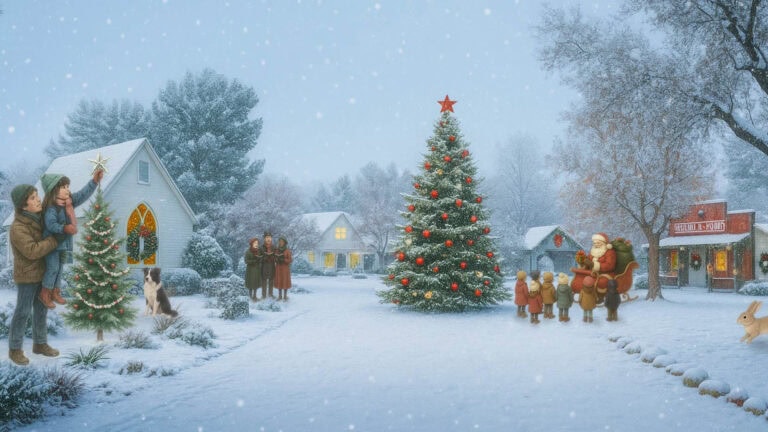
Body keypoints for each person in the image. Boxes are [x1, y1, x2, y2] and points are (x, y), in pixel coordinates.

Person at [8, 184, 60, 365]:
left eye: (37, 195)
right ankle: (15, 349)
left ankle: (40, 344)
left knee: (41, 310)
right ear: (23, 205)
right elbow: (31, 251)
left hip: (42, 274)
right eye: (32, 198)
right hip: (27, 276)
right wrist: (53, 241)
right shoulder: (18, 227)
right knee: (22, 311)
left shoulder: (39, 219)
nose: (38, 199)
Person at [39, 170, 102, 308]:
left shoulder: (68, 203)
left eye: (68, 187)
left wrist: (94, 182)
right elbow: (51, 224)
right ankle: (45, 293)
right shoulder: (51, 208)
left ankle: (55, 292)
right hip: (51, 244)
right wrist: (65, 228)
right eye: (63, 187)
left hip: (62, 244)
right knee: (53, 268)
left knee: (59, 269)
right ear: (54, 190)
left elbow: (83, 194)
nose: (67, 190)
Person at [244, 237, 263, 301]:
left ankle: (255, 296)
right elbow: (246, 261)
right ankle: (250, 296)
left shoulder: (259, 251)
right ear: (251, 244)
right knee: (250, 283)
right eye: (255, 243)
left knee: (256, 283)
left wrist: (260, 259)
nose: (256, 244)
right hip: (250, 270)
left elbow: (261, 258)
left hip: (257, 269)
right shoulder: (248, 251)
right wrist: (253, 261)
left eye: (257, 243)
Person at [274, 236, 292, 301]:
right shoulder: (277, 250)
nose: (280, 243)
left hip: (285, 269)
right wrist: (277, 259)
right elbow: (274, 258)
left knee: (284, 281)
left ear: (284, 243)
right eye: (279, 241)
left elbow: (290, 260)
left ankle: (285, 296)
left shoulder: (287, 251)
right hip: (278, 268)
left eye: (282, 242)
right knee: (279, 281)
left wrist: (284, 260)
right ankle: (279, 296)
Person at [261, 231, 277, 299]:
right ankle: (264, 295)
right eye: (267, 237)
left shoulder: (274, 247)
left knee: (271, 280)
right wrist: (265, 257)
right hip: (264, 266)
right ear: (264, 238)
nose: (268, 239)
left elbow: (276, 256)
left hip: (272, 266)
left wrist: (273, 257)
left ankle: (270, 294)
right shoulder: (261, 247)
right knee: (264, 280)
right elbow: (259, 257)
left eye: (270, 237)